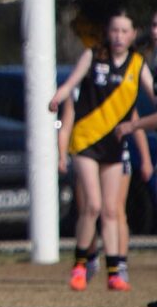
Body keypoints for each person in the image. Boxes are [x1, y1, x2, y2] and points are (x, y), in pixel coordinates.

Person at [50, 9, 154, 292]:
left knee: (111, 209)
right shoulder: (93, 56)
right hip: (86, 141)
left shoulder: (137, 65)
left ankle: (114, 271)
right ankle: (80, 265)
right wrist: (58, 97)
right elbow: (71, 84)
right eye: (115, 30)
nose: (119, 36)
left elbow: (152, 95)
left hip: (114, 144)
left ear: (133, 35)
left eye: (124, 31)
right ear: (108, 33)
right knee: (92, 205)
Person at [59, 97, 152, 287]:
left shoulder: (120, 88)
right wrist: (61, 154)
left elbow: (136, 123)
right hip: (87, 151)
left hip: (115, 153)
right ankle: (88, 258)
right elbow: (66, 124)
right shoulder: (78, 91)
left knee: (114, 210)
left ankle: (118, 267)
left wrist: (145, 158)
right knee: (89, 208)